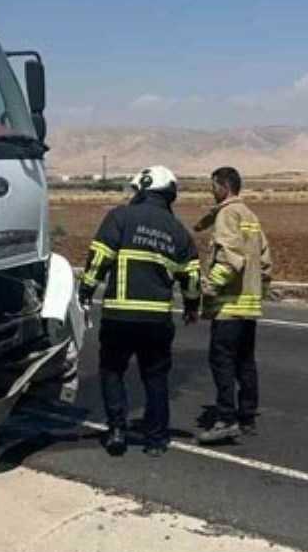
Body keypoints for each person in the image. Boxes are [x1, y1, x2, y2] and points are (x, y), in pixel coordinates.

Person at [79, 166, 201, 457]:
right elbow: (192, 278)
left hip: (119, 316)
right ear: (170, 194)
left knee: (112, 371)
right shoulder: (177, 231)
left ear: (141, 190)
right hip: (157, 319)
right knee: (156, 377)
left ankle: (117, 430)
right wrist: (192, 307)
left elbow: (99, 259)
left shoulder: (120, 217)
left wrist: (84, 292)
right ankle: (156, 440)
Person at [195, 166, 272, 445]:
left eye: (213, 186)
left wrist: (209, 287)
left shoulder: (228, 214)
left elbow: (230, 258)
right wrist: (257, 292)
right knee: (245, 363)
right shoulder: (251, 216)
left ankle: (226, 420)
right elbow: (264, 264)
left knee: (222, 362)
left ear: (224, 187)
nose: (210, 191)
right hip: (249, 307)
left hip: (228, 307)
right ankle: (247, 416)